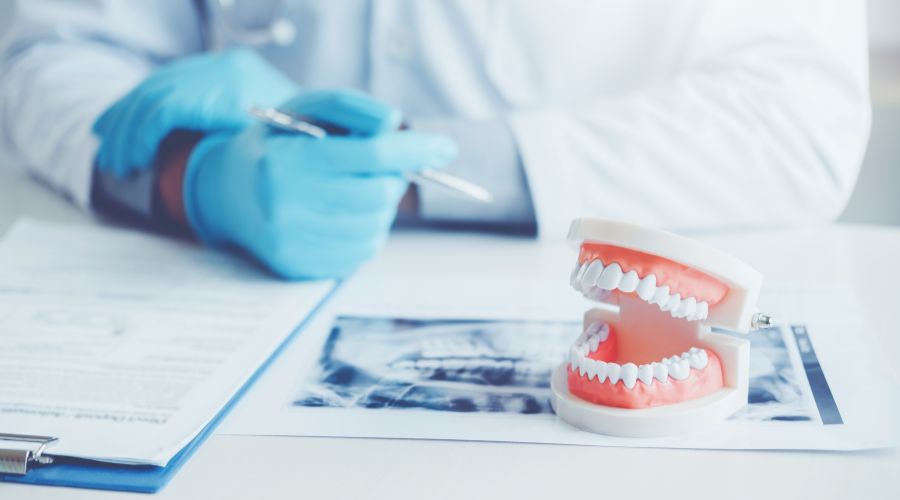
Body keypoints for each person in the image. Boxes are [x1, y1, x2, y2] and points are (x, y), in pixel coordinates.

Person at [0, 1, 870, 279]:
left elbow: (799, 116)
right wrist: (193, 176)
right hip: (204, 286)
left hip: (579, 303)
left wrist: (401, 164)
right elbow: (55, 48)